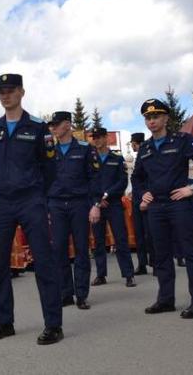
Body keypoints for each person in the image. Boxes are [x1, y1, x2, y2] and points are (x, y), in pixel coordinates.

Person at [0, 73, 63, 345]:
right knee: (0, 267)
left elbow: (50, 167)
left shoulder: (39, 128)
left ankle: (53, 325)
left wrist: (39, 195)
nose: (5, 95)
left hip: (31, 201)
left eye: (10, 90)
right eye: (1, 91)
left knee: (43, 262)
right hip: (2, 204)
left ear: (21, 92)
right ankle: (4, 322)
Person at [131, 99, 193, 319]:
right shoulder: (145, 148)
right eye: (148, 118)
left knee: (191, 254)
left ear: (166, 118)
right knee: (161, 256)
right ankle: (165, 299)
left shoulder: (183, 140)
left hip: (180, 205)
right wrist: (143, 193)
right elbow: (137, 177)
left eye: (156, 117)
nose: (151, 121)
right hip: (156, 208)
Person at [46, 111, 100, 309]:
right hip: (57, 204)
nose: (53, 128)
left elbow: (94, 177)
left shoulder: (85, 149)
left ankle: (82, 294)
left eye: (57, 124)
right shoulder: (49, 151)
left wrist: (95, 205)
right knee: (59, 249)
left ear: (67, 125)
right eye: (52, 125)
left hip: (79, 204)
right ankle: (65, 293)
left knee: (81, 250)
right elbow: (44, 179)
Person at [90, 127, 136, 288]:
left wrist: (107, 195)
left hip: (114, 203)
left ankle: (129, 274)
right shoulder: (90, 159)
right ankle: (101, 275)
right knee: (98, 241)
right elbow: (87, 181)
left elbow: (122, 181)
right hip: (97, 205)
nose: (96, 140)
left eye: (99, 137)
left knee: (121, 239)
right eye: (94, 137)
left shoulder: (117, 159)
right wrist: (97, 199)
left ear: (106, 138)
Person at [130, 132, 153, 274]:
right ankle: (142, 264)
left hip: (147, 199)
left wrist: (146, 198)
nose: (131, 145)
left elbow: (150, 179)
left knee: (151, 234)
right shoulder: (137, 157)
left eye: (132, 143)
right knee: (139, 234)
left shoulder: (148, 156)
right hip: (137, 199)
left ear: (135, 143)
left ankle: (156, 263)